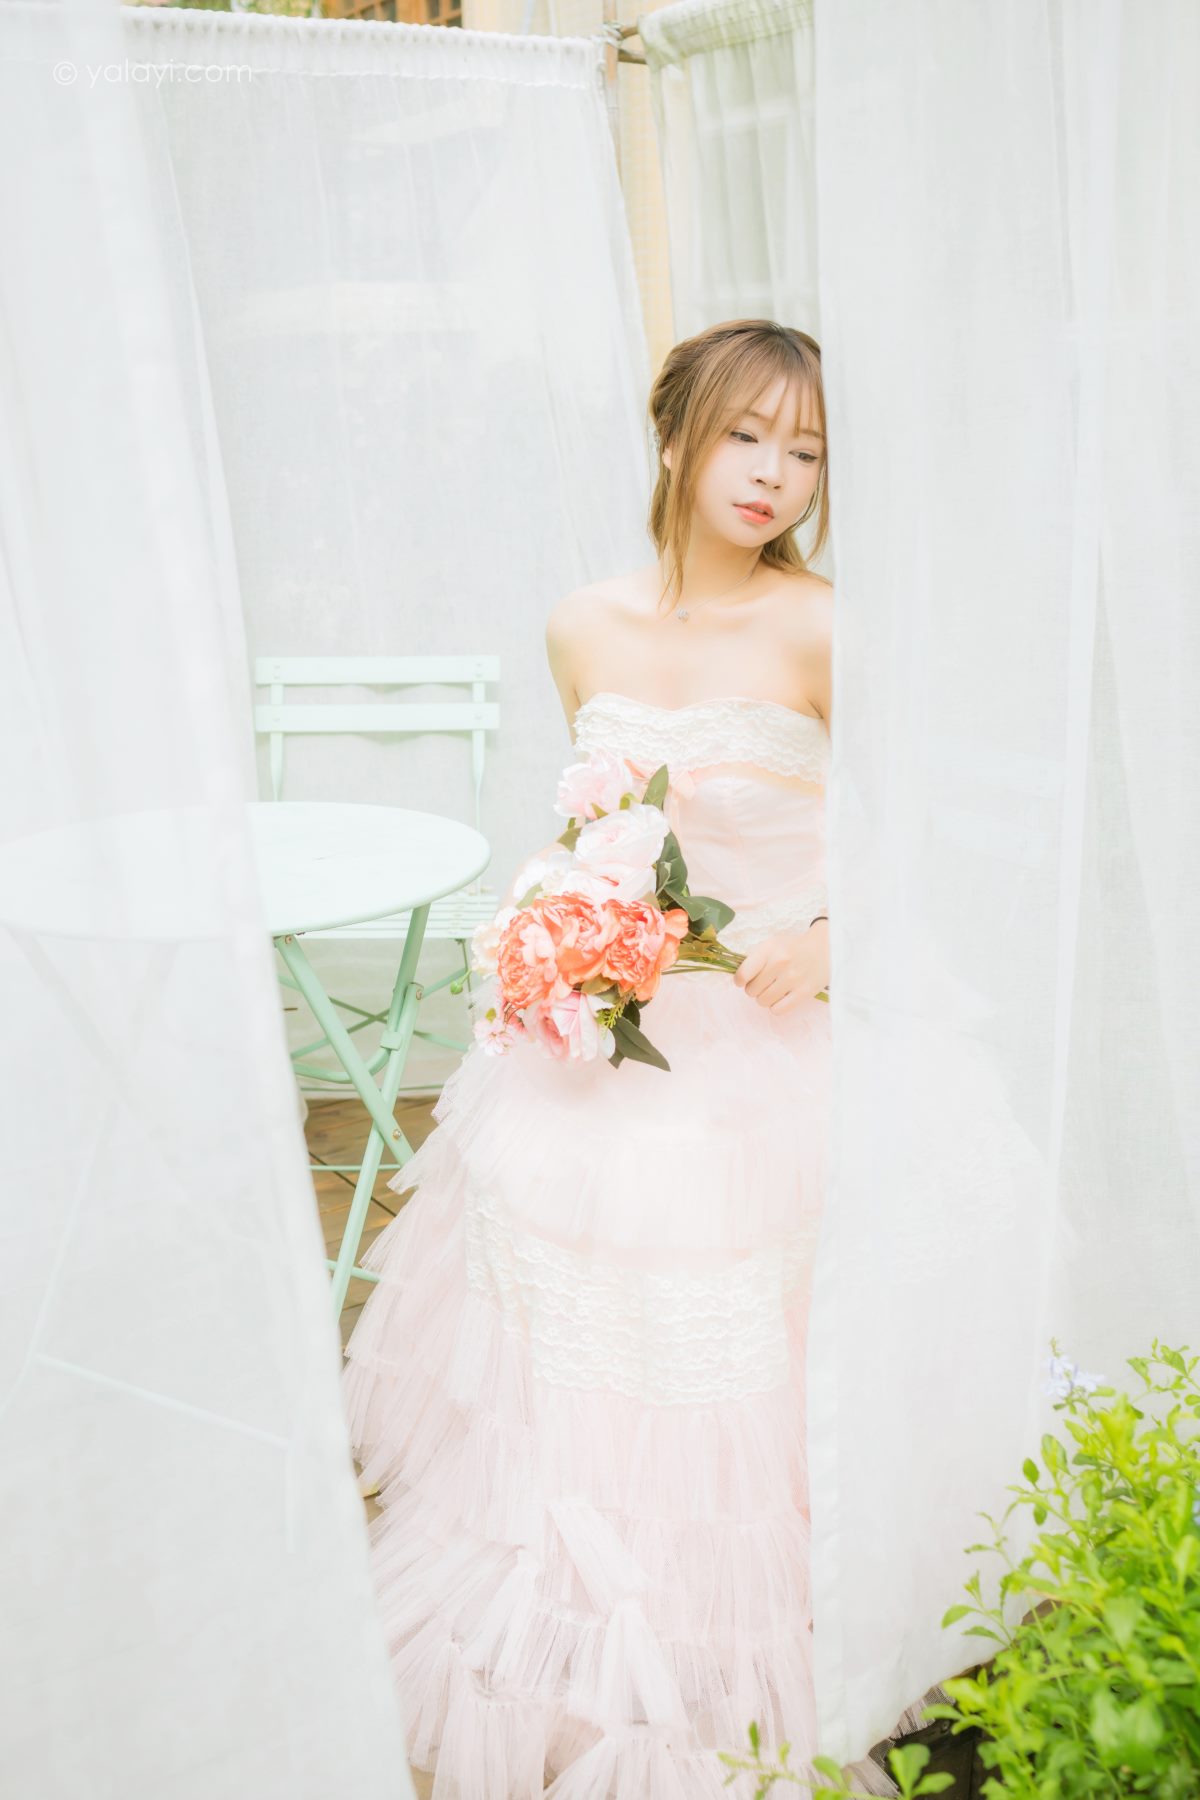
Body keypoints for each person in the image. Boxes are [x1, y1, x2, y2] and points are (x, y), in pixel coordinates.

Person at [342, 321, 929, 1796]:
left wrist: (831, 938)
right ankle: (581, 1589)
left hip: (778, 1035)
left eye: (805, 452)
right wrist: (563, 929)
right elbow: (600, 832)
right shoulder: (582, 625)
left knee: (726, 1306)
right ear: (674, 439)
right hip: (618, 1034)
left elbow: (918, 841)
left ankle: (739, 1630)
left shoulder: (827, 629)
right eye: (746, 436)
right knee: (553, 1279)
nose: (774, 475)